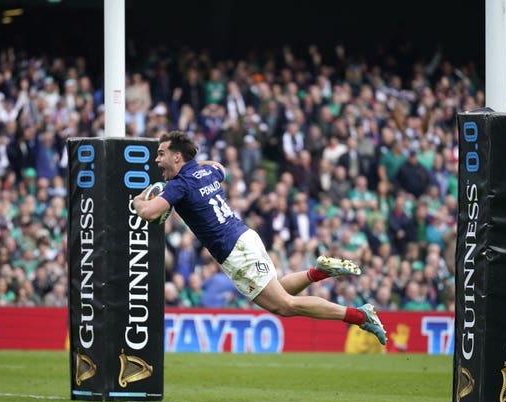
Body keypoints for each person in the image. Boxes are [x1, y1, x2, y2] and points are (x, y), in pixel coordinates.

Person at [134, 131, 387, 344]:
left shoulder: (179, 185)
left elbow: (148, 212)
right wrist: (196, 165)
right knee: (275, 292)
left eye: (161, 154)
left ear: (177, 156)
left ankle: (359, 316)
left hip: (234, 250)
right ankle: (316, 273)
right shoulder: (206, 174)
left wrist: (137, 200)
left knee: (285, 306)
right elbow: (220, 168)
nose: (157, 160)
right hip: (244, 237)